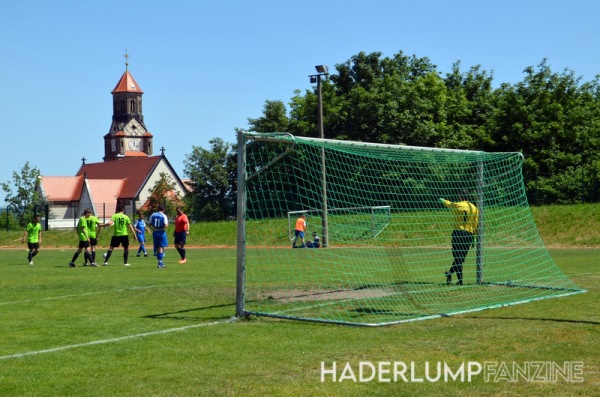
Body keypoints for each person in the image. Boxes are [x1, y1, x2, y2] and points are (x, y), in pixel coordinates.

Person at [439, 191, 479, 285]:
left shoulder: (458, 205)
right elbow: (476, 223)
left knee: (458, 258)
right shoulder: (475, 209)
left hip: (458, 233)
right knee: (460, 259)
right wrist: (474, 237)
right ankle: (455, 278)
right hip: (468, 235)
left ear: (460, 196)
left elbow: (449, 204)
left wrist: (442, 200)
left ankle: (456, 278)